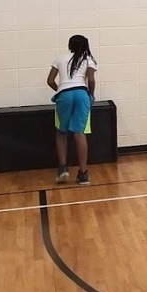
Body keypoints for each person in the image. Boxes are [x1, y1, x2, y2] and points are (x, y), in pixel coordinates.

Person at [47, 34, 97, 185]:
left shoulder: (60, 58)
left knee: (61, 132)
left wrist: (60, 91)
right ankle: (83, 174)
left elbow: (50, 80)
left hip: (64, 94)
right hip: (82, 94)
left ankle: (63, 169)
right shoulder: (88, 59)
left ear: (69, 45)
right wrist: (91, 95)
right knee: (79, 133)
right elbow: (91, 80)